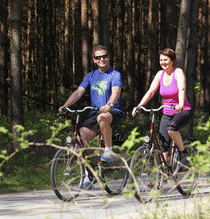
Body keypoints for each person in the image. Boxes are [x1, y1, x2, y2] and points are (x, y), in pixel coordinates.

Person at [59, 45, 125, 187]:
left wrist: (109, 105)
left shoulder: (115, 74)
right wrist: (66, 106)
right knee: (78, 141)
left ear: (108, 57)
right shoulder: (91, 76)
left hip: (113, 111)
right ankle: (89, 175)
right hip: (95, 113)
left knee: (102, 118)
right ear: (94, 60)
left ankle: (108, 150)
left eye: (104, 56)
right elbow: (78, 92)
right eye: (98, 57)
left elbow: (116, 92)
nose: (101, 59)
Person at [132, 48, 192, 167]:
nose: (163, 62)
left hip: (182, 110)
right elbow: (151, 91)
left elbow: (182, 89)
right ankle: (162, 173)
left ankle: (184, 153)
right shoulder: (160, 74)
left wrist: (180, 104)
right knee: (163, 144)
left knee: (171, 129)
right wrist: (139, 105)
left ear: (172, 60)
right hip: (167, 112)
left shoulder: (178, 72)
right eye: (161, 60)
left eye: (166, 59)